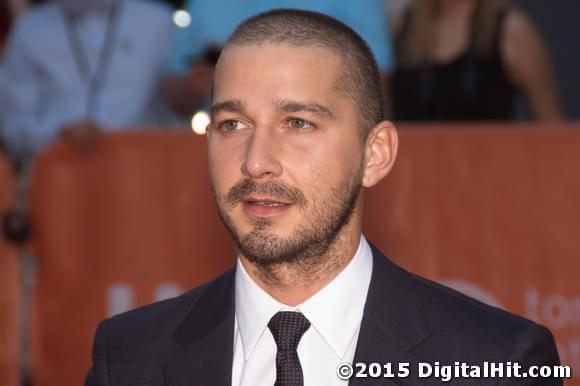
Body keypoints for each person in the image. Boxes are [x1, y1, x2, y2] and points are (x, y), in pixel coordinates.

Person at [85, 9, 562, 386]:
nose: (255, 161)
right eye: (233, 124)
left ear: (375, 154)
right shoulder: (128, 356)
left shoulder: (499, 361)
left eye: (298, 124)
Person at [0, 0, 174, 165]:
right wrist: (57, 132)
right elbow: (13, 125)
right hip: (57, 178)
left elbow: (174, 113)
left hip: (138, 176)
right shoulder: (31, 29)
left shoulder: (158, 22)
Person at [163, 0, 393, 117]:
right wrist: (197, 84)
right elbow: (174, 90)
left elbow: (376, 84)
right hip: (221, 144)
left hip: (312, 143)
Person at [391, 0, 563, 121]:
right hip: (415, 168)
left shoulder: (511, 31)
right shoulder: (399, 29)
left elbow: (551, 124)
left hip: (491, 167)